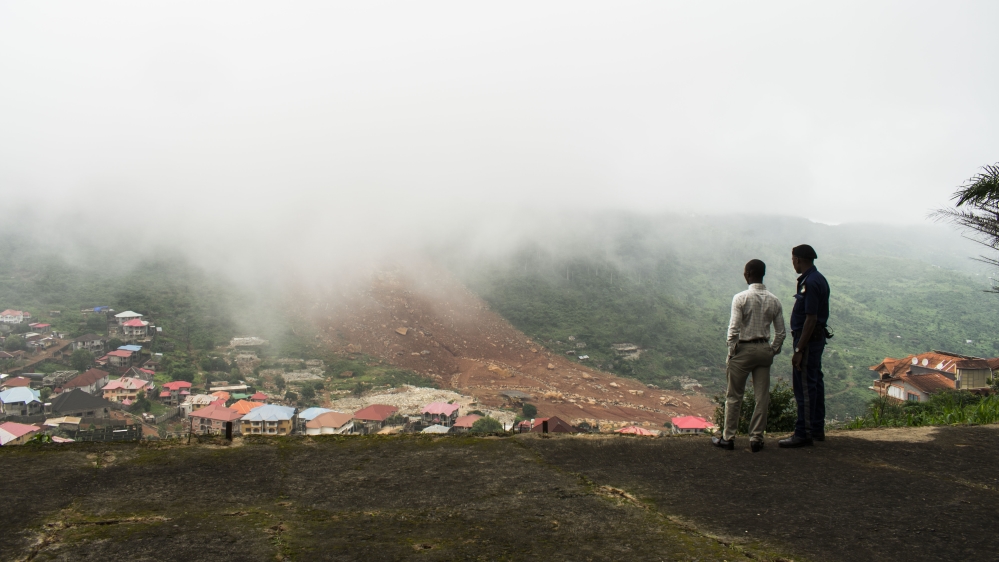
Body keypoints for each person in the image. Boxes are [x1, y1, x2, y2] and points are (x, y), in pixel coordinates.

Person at [712, 259, 785, 453]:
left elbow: (733, 330)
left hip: (743, 350)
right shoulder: (774, 300)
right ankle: (756, 439)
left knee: (734, 395)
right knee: (762, 397)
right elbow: (781, 333)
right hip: (763, 350)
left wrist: (732, 352)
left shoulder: (740, 298)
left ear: (748, 274)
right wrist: (772, 350)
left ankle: (728, 438)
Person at [779, 244, 830, 448]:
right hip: (815, 340)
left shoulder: (810, 282)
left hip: (807, 340)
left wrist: (799, 349)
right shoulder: (818, 279)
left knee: (805, 387)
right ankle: (816, 429)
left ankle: (804, 433)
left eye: (793, 259)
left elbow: (810, 318)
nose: (793, 263)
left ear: (798, 259)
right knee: (815, 383)